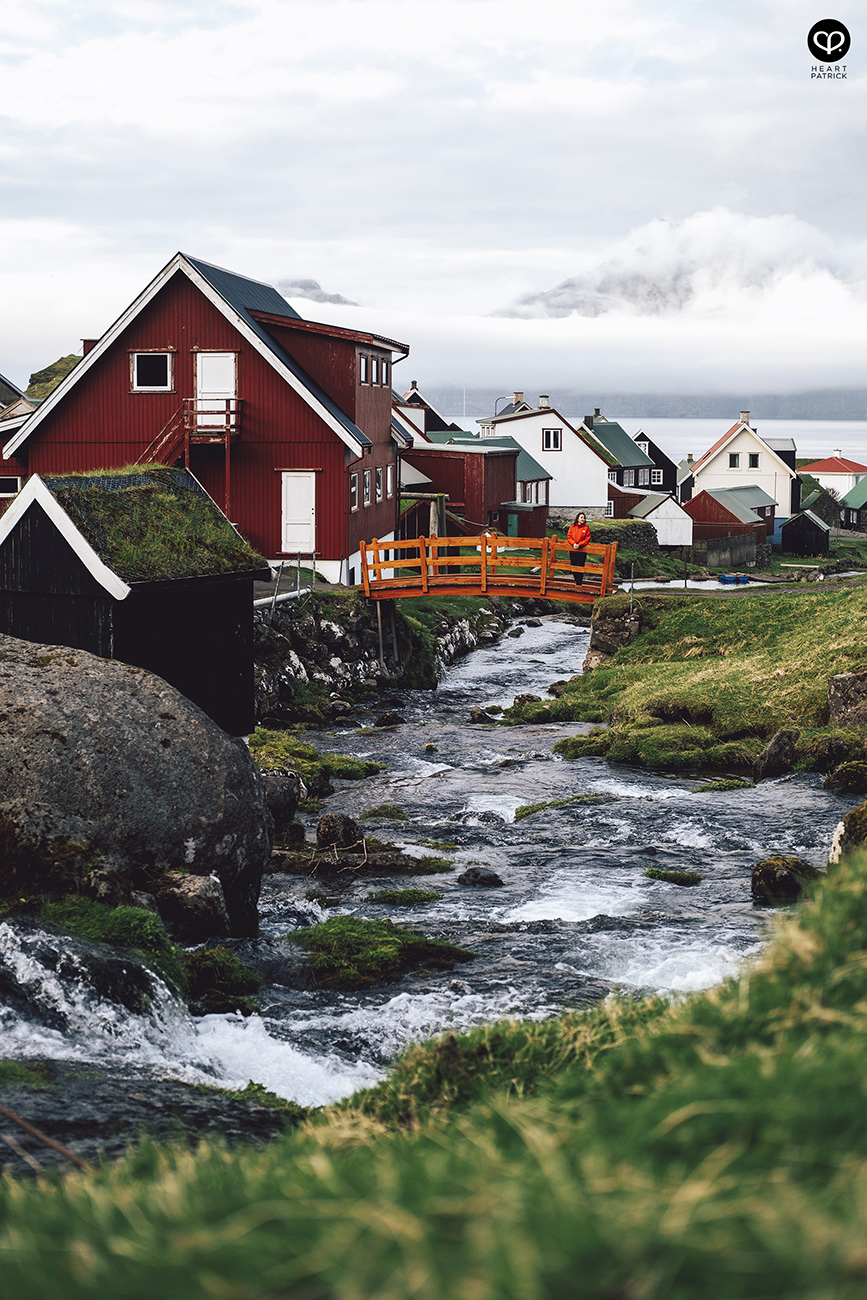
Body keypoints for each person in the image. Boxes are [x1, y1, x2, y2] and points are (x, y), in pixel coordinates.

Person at [567, 511, 591, 585]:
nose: (583, 519)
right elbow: (569, 537)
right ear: (577, 518)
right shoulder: (572, 527)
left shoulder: (586, 528)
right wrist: (573, 544)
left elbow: (587, 539)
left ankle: (579, 583)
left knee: (581, 566)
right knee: (574, 566)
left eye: (584, 518)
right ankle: (577, 582)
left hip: (582, 551)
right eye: (581, 517)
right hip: (573, 550)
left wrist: (579, 544)